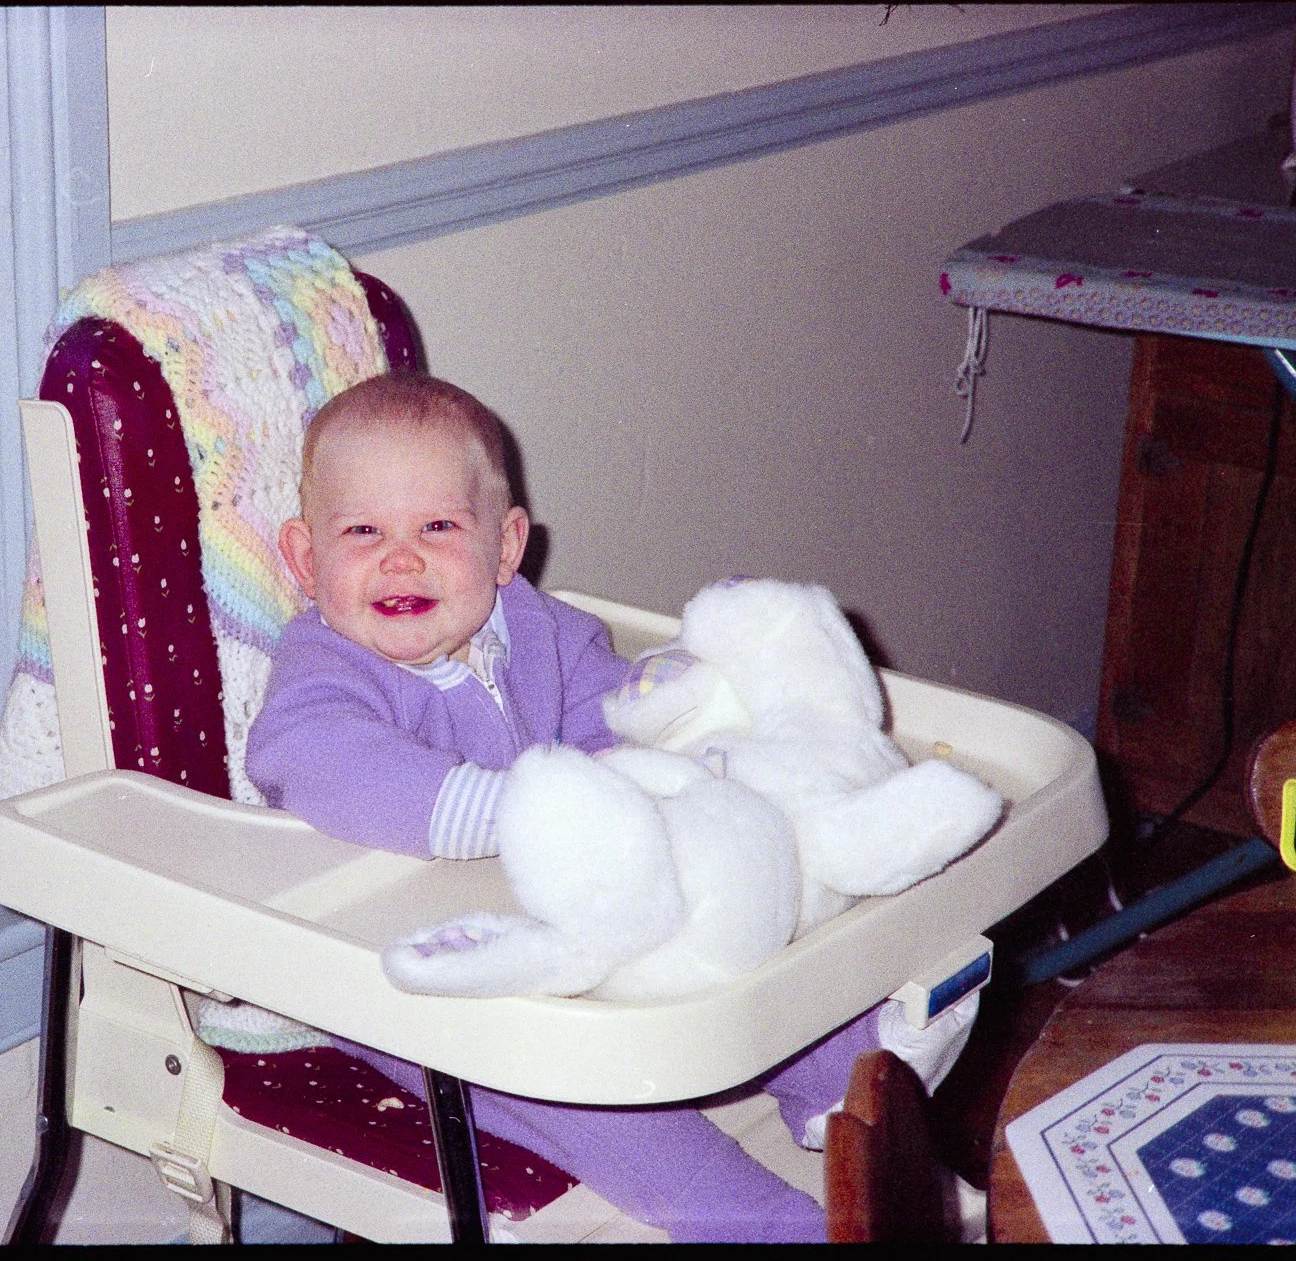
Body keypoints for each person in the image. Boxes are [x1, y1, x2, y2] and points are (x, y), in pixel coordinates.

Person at [245, 371, 933, 1242]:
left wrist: (681, 758)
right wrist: (508, 812)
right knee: (586, 1092)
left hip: (570, 914)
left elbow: (612, 724)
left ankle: (848, 1082)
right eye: (362, 532)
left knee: (738, 929)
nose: (401, 558)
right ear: (306, 559)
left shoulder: (539, 629)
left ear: (505, 547)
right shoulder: (323, 673)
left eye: (438, 527)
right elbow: (322, 762)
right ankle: (754, 1223)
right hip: (428, 983)